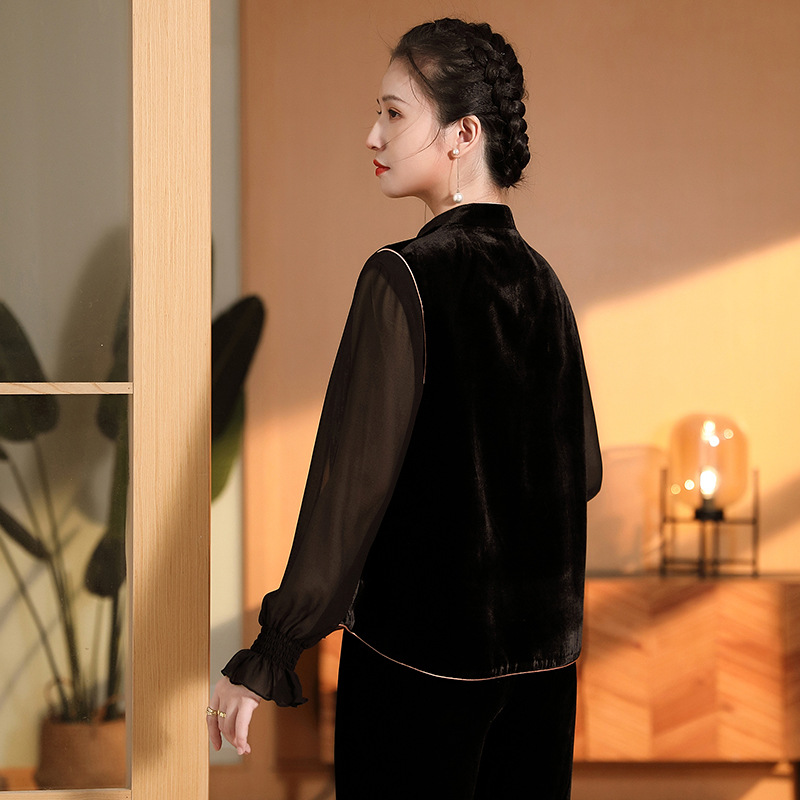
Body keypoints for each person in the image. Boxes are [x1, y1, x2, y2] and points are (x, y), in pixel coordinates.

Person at [208, 17, 602, 799]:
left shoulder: (403, 276)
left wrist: (272, 653)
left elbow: (349, 491)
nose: (372, 134)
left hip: (421, 668)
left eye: (393, 113)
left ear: (463, 134)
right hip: (544, 672)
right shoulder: (544, 283)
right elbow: (580, 471)